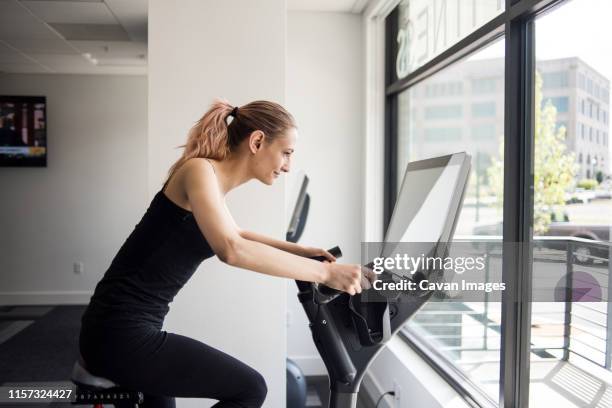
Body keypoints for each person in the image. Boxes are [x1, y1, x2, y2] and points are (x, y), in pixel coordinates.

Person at [78, 99, 376, 408]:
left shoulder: (211, 179)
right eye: (286, 153)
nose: (287, 166)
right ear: (257, 141)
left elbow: (238, 234)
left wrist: (303, 252)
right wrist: (327, 274)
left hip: (125, 330)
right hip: (118, 335)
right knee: (250, 389)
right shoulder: (198, 171)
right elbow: (231, 249)